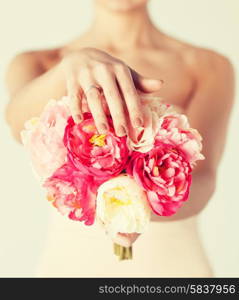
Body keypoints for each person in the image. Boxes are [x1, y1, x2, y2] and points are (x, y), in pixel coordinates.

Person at [5, 0, 234, 277]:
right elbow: (17, 125)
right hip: (71, 267)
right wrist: (70, 67)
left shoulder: (209, 65)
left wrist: (137, 208)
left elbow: (204, 178)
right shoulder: (37, 63)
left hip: (173, 268)